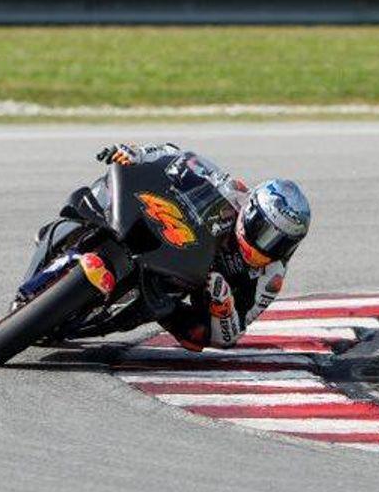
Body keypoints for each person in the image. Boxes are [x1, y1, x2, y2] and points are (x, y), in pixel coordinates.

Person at [92, 142, 310, 350]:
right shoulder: (231, 191)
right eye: (267, 233)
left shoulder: (271, 277)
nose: (270, 247)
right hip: (164, 226)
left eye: (282, 243)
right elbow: (175, 155)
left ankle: (129, 311)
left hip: (179, 281)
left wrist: (224, 308)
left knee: (198, 335)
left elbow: (231, 337)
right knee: (113, 185)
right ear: (251, 213)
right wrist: (137, 153)